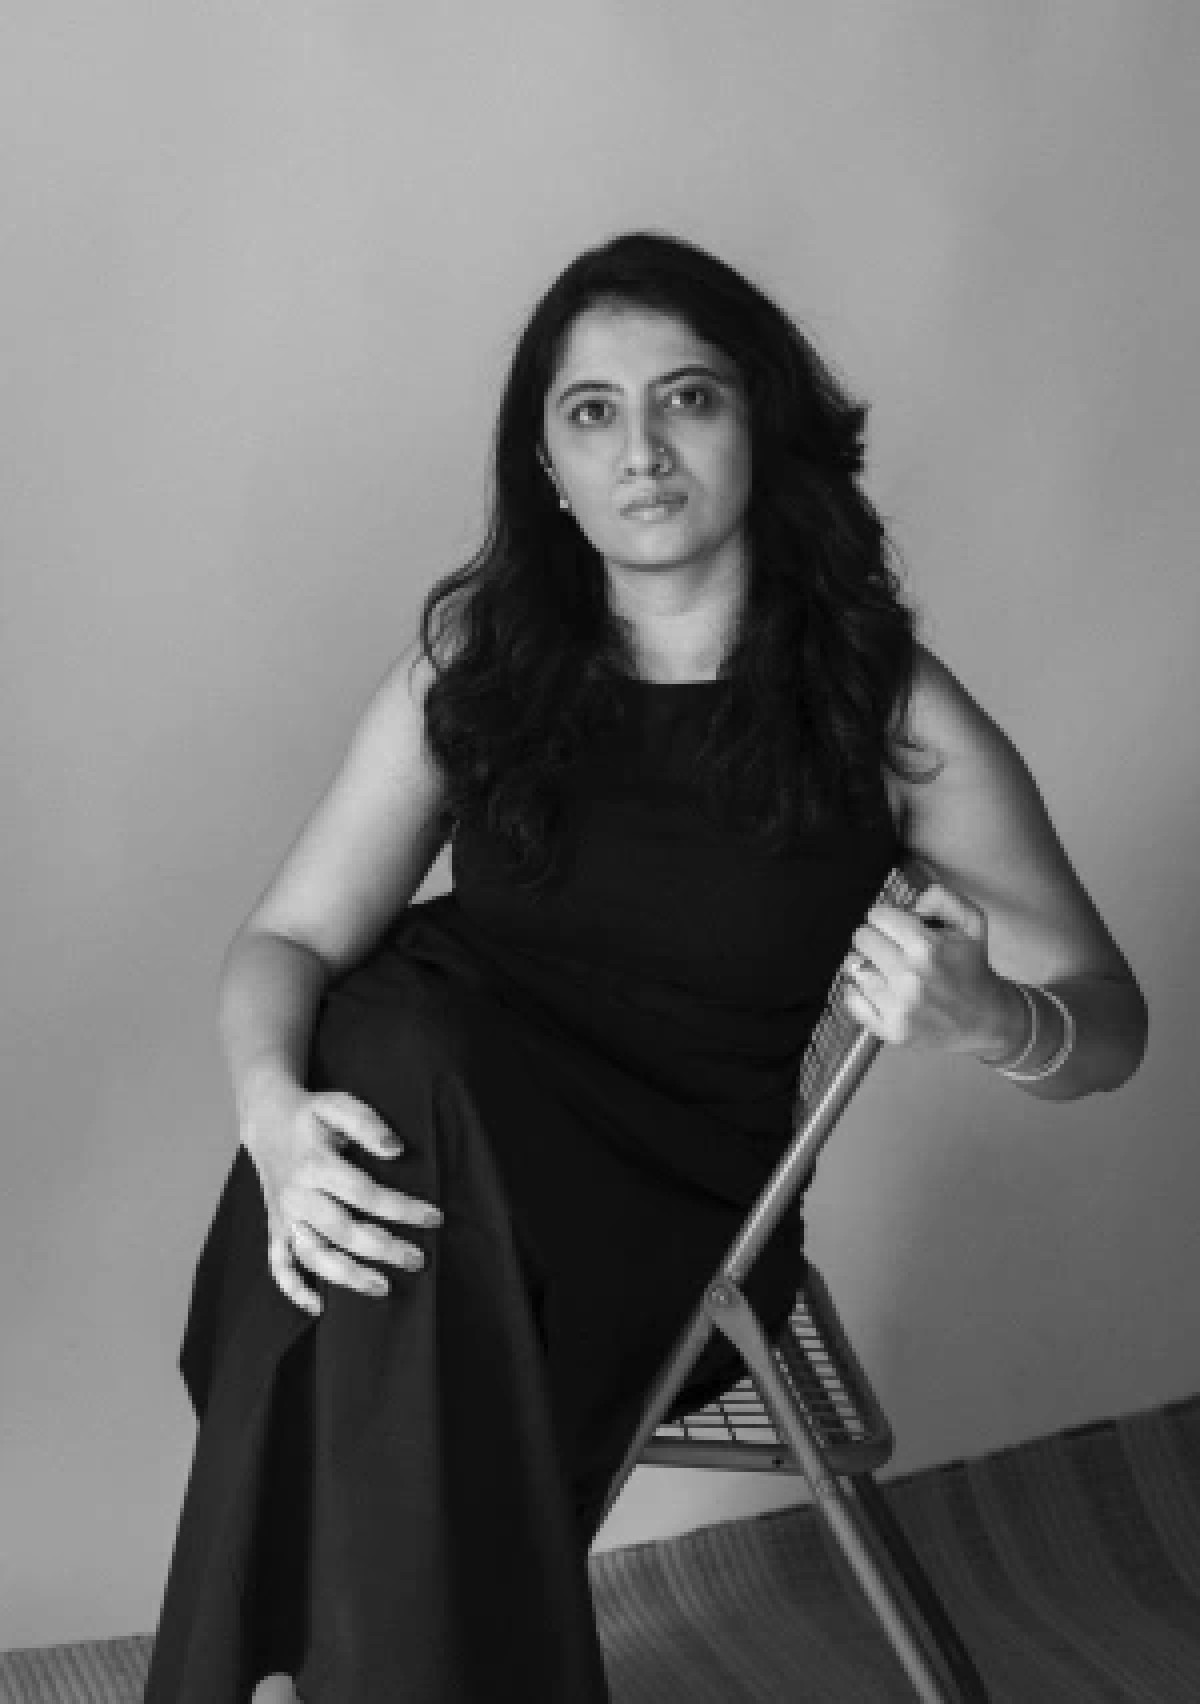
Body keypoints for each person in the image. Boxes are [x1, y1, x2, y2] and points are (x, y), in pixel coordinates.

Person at [144, 231, 1148, 1704]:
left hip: (669, 1227)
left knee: (395, 1147)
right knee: (392, 1078)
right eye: (592, 411)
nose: (642, 451)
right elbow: (287, 941)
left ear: (762, 426)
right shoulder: (479, 665)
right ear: (549, 465)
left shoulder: (879, 706)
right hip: (424, 1170)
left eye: (688, 397)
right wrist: (271, 1121)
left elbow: (1111, 1024)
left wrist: (994, 1015)